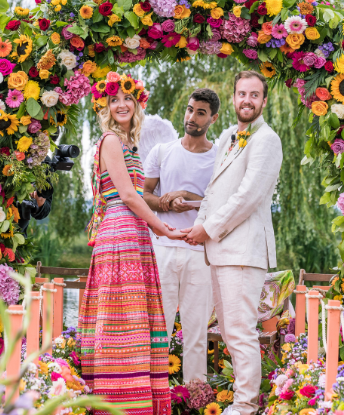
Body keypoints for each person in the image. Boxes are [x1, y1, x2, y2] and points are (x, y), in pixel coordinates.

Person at [182, 71, 283, 415]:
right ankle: (243, 403)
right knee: (228, 329)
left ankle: (245, 406)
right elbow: (213, 191)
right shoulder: (228, 136)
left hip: (242, 250)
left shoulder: (266, 139)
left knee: (240, 331)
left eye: (254, 95)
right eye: (242, 93)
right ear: (235, 96)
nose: (247, 100)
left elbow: (248, 196)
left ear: (264, 101)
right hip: (220, 251)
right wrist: (199, 225)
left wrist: (209, 229)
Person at [79, 72, 180, 415]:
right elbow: (127, 195)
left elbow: (140, 196)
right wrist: (161, 228)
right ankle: (116, 402)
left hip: (132, 232)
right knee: (122, 318)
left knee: (134, 320)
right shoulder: (110, 139)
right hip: (122, 232)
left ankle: (134, 399)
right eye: (114, 100)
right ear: (105, 107)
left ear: (136, 104)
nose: (122, 104)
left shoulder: (128, 143)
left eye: (127, 98)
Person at [142, 88, 220, 383]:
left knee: (196, 333)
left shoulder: (219, 158)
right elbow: (144, 195)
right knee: (157, 330)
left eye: (200, 113)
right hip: (162, 247)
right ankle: (153, 395)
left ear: (212, 118)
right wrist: (164, 202)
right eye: (190, 110)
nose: (192, 117)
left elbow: (223, 206)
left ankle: (194, 398)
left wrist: (188, 196)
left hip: (199, 252)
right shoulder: (162, 151)